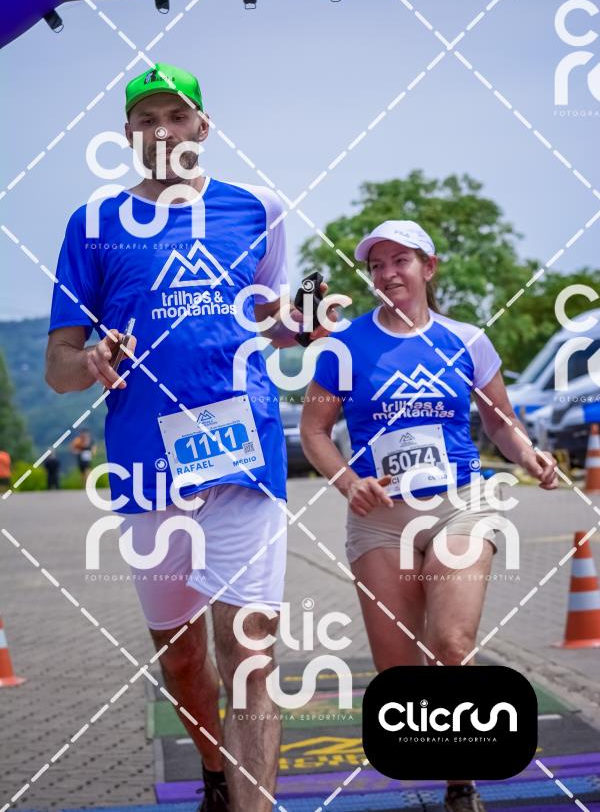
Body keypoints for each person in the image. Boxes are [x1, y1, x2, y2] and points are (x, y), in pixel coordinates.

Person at [45, 63, 334, 812]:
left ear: (204, 126)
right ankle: (214, 770)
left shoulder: (259, 208)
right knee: (181, 660)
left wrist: (299, 323)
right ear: (128, 135)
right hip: (147, 469)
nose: (163, 131)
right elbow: (58, 366)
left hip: (243, 457)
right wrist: (92, 359)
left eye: (177, 116)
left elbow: (266, 318)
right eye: (147, 119)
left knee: (252, 659)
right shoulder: (93, 222)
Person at [300, 220, 557, 812]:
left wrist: (528, 454)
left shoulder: (467, 340)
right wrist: (349, 483)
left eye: (401, 261)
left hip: (461, 502)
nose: (388, 273)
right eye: (377, 265)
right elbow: (314, 432)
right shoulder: (344, 347)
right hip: (381, 517)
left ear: (429, 267)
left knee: (451, 641)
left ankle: (460, 784)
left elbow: (499, 421)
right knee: (398, 672)